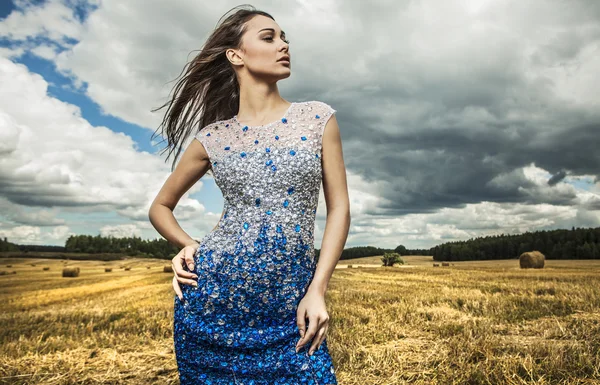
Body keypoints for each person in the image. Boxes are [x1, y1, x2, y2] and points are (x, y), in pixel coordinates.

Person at [149, 5, 350, 384]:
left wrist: (317, 290)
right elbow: (160, 207)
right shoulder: (213, 138)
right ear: (235, 55)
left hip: (292, 310)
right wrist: (187, 245)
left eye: (285, 37)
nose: (284, 44)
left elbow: (339, 208)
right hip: (211, 308)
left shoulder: (317, 118)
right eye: (269, 37)